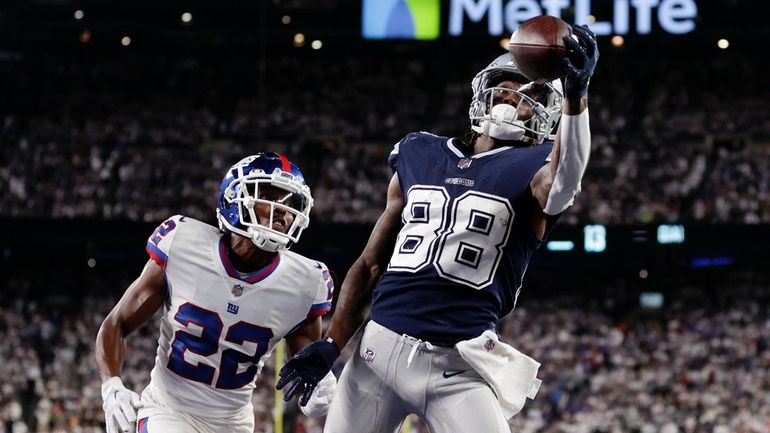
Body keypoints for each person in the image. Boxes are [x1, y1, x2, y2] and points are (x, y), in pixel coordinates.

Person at [277, 24, 599, 433]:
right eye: (503, 90)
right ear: (481, 95)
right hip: (378, 350)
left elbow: (566, 178)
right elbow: (370, 265)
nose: (511, 100)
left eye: (527, 96)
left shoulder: (538, 167)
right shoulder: (420, 152)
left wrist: (577, 97)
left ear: (546, 114)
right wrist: (332, 344)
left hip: (459, 365)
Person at [95, 153, 337, 433]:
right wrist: (111, 386)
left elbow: (306, 363)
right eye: (270, 196)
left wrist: (318, 383)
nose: (282, 210)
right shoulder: (183, 245)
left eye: (290, 203)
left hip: (234, 422)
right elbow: (116, 323)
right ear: (235, 200)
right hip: (169, 410)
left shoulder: (306, 283)